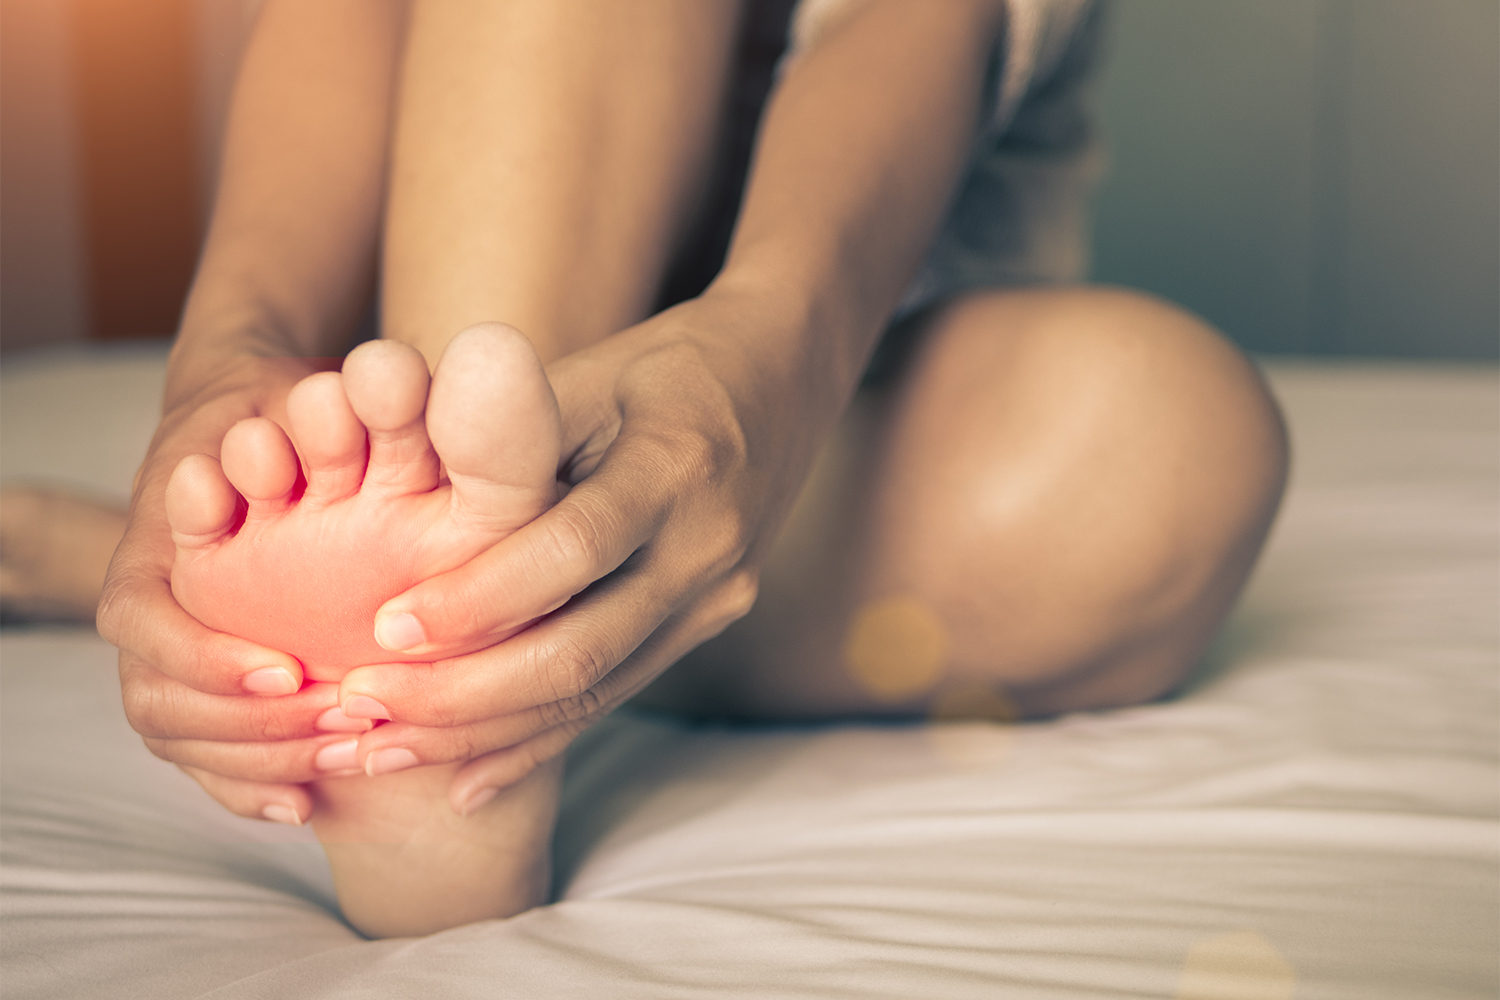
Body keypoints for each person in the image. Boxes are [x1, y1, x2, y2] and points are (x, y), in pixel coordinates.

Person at [13, 0, 1288, 938]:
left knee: (1170, 443)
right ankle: (456, 700)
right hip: (455, 328)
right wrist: (231, 350)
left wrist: (764, 357)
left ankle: (432, 621)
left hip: (828, 357)